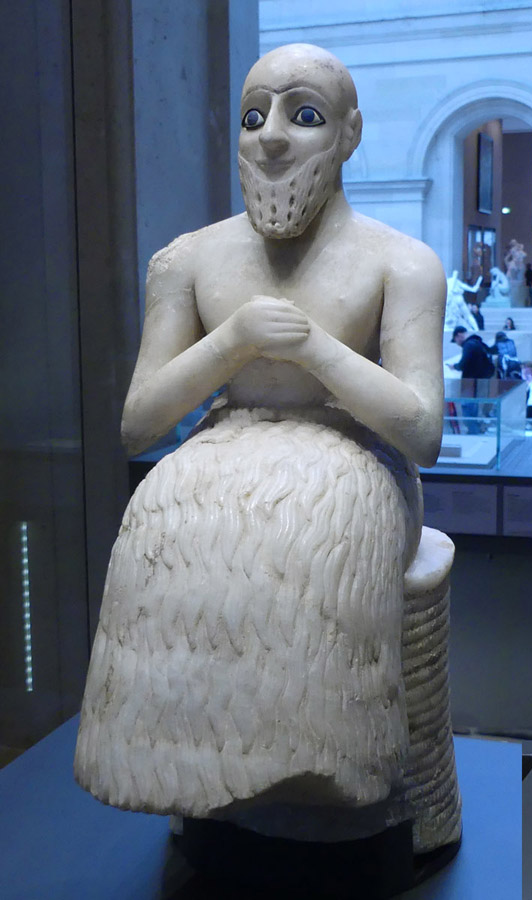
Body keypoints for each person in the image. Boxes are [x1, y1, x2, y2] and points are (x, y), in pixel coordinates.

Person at [75, 44, 458, 850]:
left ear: (349, 134)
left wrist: (316, 349)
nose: (272, 136)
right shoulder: (188, 260)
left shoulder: (402, 263)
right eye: (254, 117)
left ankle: (324, 770)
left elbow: (422, 431)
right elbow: (139, 424)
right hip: (221, 458)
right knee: (161, 521)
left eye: (303, 114)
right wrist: (235, 341)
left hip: (354, 464)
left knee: (314, 542)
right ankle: (191, 771)